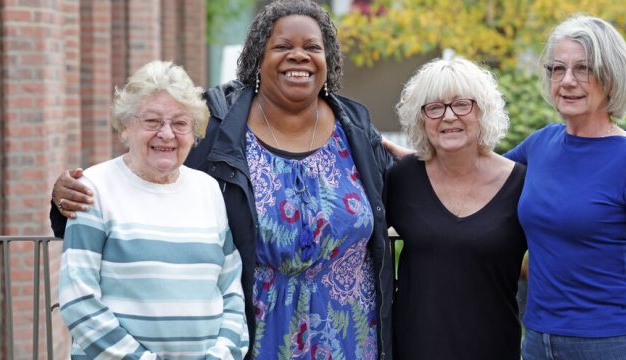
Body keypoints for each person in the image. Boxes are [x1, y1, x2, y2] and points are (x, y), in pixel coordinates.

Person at [50, 1, 394, 359]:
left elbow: (404, 203)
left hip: (351, 335)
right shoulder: (219, 125)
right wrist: (68, 196)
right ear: (258, 58)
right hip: (256, 337)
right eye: (281, 47)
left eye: (312, 47)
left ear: (329, 59)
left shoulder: (355, 128)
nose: (298, 56)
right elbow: (150, 170)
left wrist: (432, 165)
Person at [505, 15, 626, 359]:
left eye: (583, 69)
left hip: (611, 344)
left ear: (611, 78)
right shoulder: (540, 143)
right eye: (557, 69)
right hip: (537, 341)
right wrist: (417, 158)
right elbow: (477, 174)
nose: (567, 81)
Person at [57, 60, 248, 359]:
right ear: (125, 127)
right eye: (152, 121)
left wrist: (222, 355)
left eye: (180, 123)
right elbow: (78, 299)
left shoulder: (208, 189)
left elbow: (231, 290)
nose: (167, 134)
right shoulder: (94, 188)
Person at [385, 57, 526, 359]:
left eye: (462, 104)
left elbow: (561, 243)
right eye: (434, 108)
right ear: (420, 119)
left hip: (495, 349)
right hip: (413, 350)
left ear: (483, 112)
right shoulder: (402, 178)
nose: (448, 117)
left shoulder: (521, 184)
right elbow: (356, 238)